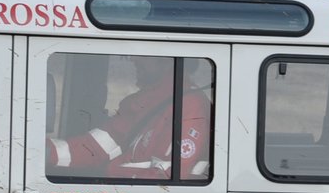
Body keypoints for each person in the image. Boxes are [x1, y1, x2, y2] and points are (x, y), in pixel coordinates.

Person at [46, 56, 213, 180]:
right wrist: (41, 152)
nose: (134, 59)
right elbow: (94, 147)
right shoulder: (147, 101)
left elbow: (168, 177)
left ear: (167, 60)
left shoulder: (189, 105)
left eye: (144, 54)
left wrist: (111, 175)